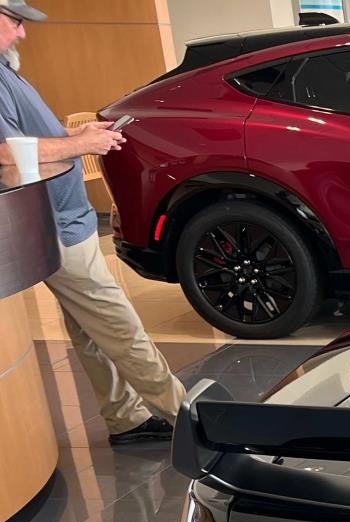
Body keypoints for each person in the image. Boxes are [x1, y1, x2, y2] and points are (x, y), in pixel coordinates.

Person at [0, 0, 184, 445]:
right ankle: (187, 418)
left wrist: (80, 139)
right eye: (16, 22)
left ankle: (126, 418)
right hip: (53, 225)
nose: (23, 34)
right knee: (120, 326)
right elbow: (7, 156)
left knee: (89, 329)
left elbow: (27, 140)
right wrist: (80, 144)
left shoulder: (7, 72)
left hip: (65, 221)